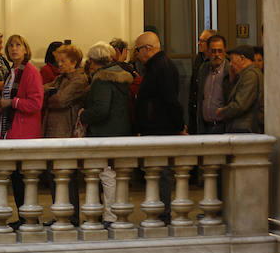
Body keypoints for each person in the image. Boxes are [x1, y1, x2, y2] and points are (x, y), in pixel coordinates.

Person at [79, 42, 133, 228]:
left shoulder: (102, 80)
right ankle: (116, 213)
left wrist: (84, 114)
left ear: (95, 61)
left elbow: (101, 110)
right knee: (115, 176)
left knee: (106, 176)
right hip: (120, 131)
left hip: (104, 133)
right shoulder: (121, 76)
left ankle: (110, 216)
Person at [133, 31, 183, 223]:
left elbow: (170, 100)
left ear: (148, 49)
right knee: (155, 173)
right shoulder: (156, 67)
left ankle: (163, 215)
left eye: (138, 49)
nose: (136, 54)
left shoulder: (162, 68)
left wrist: (179, 126)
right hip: (154, 129)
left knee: (161, 174)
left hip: (161, 129)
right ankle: (158, 212)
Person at [0, 34, 43, 230]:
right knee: (16, 179)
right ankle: (24, 217)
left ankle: (30, 218)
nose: (14, 49)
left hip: (25, 131)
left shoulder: (30, 72)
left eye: (18, 45)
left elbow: (36, 103)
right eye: (11, 46)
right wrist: (1, 105)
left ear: (25, 49)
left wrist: (11, 102)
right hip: (10, 129)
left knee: (24, 178)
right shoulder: (11, 72)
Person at [41, 43, 88, 226]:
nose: (59, 64)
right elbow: (42, 91)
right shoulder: (61, 79)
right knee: (54, 176)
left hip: (65, 131)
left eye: (63, 61)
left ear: (74, 62)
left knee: (67, 177)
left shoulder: (78, 80)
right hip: (53, 130)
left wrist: (50, 97)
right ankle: (59, 213)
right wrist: (48, 95)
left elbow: (60, 100)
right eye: (57, 61)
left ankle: (72, 216)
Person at [217, 45, 264, 133]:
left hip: (246, 128)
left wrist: (223, 112)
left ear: (242, 58)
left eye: (232, 60)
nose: (230, 64)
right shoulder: (244, 75)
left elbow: (240, 105)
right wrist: (232, 79)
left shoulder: (250, 75)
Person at [195, 34, 230, 134]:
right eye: (213, 51)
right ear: (208, 52)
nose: (216, 55)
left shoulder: (230, 71)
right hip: (205, 126)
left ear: (225, 51)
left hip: (223, 126)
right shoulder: (203, 69)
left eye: (220, 51)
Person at [185, 29, 217, 134]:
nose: (199, 43)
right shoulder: (199, 59)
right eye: (199, 40)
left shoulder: (216, 61)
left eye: (202, 41)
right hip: (195, 110)